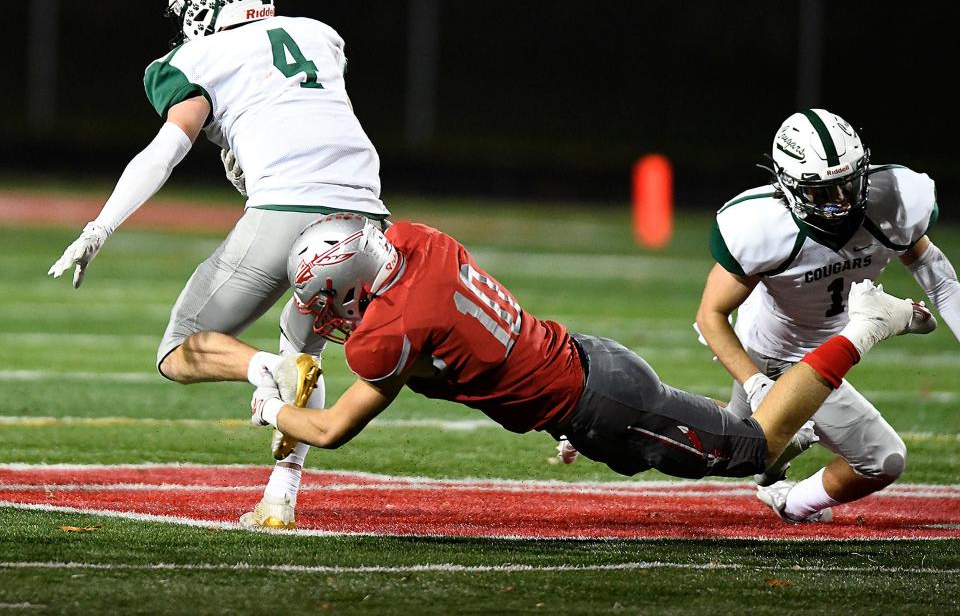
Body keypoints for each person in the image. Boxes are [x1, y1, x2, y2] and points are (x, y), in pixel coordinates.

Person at [235, 213, 934, 502]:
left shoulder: (384, 333)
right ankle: (792, 421)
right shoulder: (420, 241)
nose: (323, 313)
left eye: (329, 297)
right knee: (653, 456)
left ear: (355, 285)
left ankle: (870, 323)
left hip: (601, 399)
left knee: (749, 451)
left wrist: (268, 402)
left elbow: (328, 429)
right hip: (585, 370)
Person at [47, 0, 389, 529]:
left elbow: (167, 149)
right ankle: (280, 502)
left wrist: (100, 225)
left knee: (178, 353)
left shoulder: (194, 56)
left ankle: (260, 370)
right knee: (305, 352)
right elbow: (319, 116)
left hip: (284, 207)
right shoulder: (317, 35)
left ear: (200, 4)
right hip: (367, 218)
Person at [695, 108, 959, 523]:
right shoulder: (760, 226)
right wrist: (758, 382)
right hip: (772, 353)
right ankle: (615, 421)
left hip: (829, 350)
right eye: (823, 192)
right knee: (881, 458)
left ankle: (788, 494)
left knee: (736, 444)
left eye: (849, 184)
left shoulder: (893, 200)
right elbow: (711, 314)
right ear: (787, 185)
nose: (841, 201)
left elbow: (941, 282)